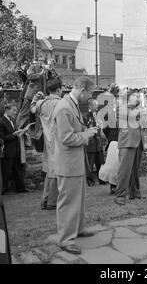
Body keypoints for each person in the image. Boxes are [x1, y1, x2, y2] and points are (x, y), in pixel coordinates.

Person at [52, 77, 99, 255]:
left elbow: (74, 130)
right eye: (90, 93)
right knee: (68, 202)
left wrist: (86, 131)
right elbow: (66, 138)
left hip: (75, 162)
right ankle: (65, 240)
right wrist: (86, 134)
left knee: (78, 200)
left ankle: (77, 229)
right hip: (68, 164)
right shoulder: (64, 108)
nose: (90, 97)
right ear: (81, 90)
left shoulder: (72, 104)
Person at [30, 77, 63, 210]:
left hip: (48, 141)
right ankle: (52, 202)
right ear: (59, 89)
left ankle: (45, 200)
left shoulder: (42, 104)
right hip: (60, 141)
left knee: (51, 171)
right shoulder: (63, 103)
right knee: (57, 171)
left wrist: (35, 97)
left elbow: (32, 108)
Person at [114, 90, 144, 206]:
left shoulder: (136, 109)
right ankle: (120, 195)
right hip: (127, 142)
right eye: (134, 97)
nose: (137, 99)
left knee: (135, 170)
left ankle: (134, 192)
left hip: (137, 141)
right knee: (124, 170)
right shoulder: (122, 109)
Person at [0, 103, 29, 195]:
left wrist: (22, 132)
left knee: (17, 170)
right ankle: (5, 189)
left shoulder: (12, 120)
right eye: (13, 110)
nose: (15, 113)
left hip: (15, 149)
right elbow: (2, 138)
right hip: (7, 151)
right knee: (7, 171)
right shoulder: (1, 121)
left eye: (16, 110)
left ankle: (20, 188)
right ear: (7, 110)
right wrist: (14, 134)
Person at [84, 99, 105, 187]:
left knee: (100, 162)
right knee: (90, 163)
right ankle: (90, 181)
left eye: (97, 105)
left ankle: (102, 179)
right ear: (90, 106)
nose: (97, 106)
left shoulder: (98, 115)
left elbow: (101, 127)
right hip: (91, 142)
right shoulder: (86, 116)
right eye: (95, 105)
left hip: (98, 142)